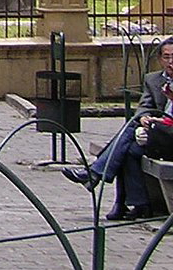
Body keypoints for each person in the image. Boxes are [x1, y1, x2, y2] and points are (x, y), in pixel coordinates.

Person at [62, 36, 173, 220]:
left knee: (127, 136)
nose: (171, 62)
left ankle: (99, 177)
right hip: (154, 134)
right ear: (160, 59)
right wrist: (145, 117)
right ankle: (138, 205)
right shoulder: (153, 79)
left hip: (168, 135)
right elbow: (144, 106)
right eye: (166, 57)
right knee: (128, 150)